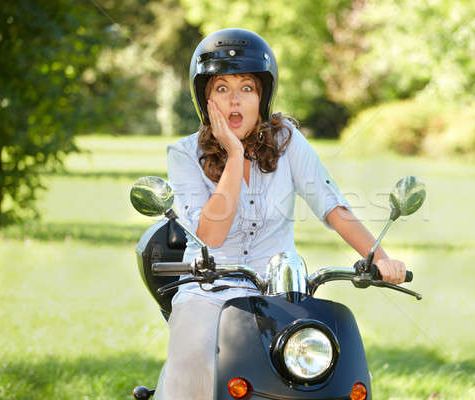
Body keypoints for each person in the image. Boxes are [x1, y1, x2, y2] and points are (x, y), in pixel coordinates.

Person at [155, 28, 407, 399]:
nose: (235, 101)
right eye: (222, 89)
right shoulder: (183, 154)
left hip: (279, 292)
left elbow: (333, 205)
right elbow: (210, 237)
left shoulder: (286, 140)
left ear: (263, 96)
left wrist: (381, 259)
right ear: (205, 99)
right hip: (206, 290)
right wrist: (235, 156)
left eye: (247, 88)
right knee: (195, 354)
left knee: (323, 367)